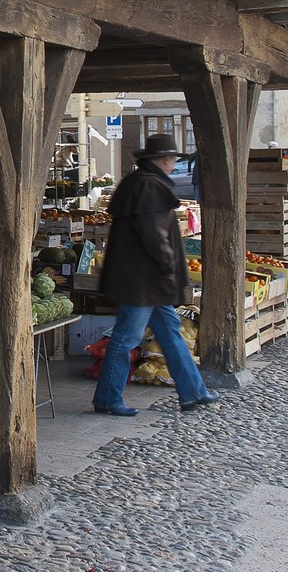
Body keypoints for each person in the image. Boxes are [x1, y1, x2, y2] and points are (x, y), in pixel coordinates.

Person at [91, 132, 219, 416]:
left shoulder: (142, 184)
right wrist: (168, 268)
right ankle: (108, 398)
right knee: (127, 338)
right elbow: (154, 236)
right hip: (144, 282)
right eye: (172, 159)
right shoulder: (149, 188)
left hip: (147, 282)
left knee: (171, 333)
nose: (174, 164)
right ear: (163, 160)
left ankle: (193, 392)